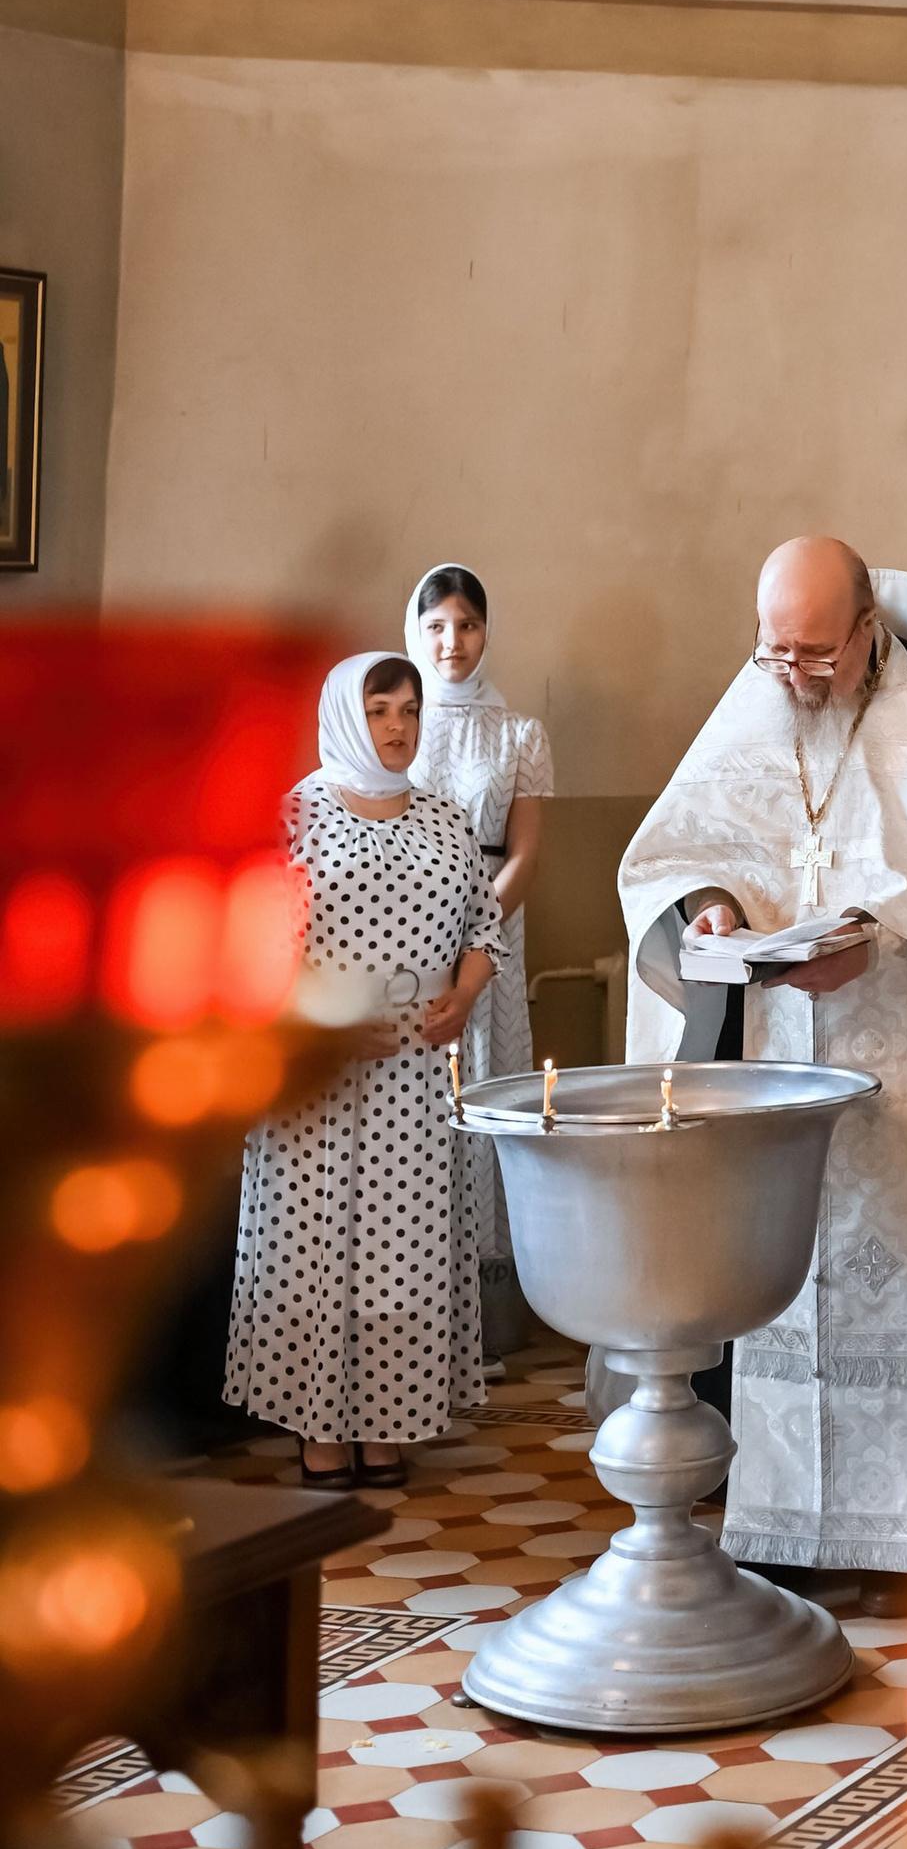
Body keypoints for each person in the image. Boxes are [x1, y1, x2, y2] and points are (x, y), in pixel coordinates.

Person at [618, 538, 907, 1583]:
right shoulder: (755, 706)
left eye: (816, 654)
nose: (793, 675)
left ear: (868, 632)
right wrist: (714, 908)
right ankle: (781, 1525)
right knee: (778, 1276)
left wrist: (881, 942)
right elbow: (674, 852)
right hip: (779, 1070)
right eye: (773, 651)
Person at [226, 653, 498, 1485]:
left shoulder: (447, 818)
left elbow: (484, 929)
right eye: (381, 709)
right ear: (348, 714)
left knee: (404, 1248)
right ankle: (321, 1432)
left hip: (414, 1074)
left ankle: (390, 1423)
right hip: (319, 1076)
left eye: (411, 710)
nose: (398, 726)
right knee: (315, 1249)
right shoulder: (294, 816)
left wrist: (463, 994)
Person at [403, 563, 552, 1344]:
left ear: (486, 632)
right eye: (436, 627)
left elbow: (525, 850)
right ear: (416, 633)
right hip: (411, 930)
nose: (452, 641)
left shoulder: (519, 732)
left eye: (465, 625)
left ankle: (490, 1321)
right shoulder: (398, 723)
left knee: (490, 1087)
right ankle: (420, 1311)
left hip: (492, 928)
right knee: (421, 1094)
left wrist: (476, 927)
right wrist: (435, 924)